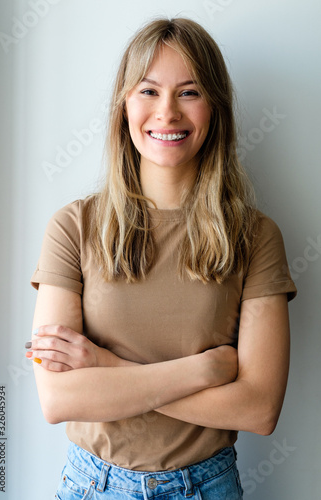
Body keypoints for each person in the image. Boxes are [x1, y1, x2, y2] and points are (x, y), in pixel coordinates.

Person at [26, 17, 297, 499]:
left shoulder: (256, 237)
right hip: (93, 485)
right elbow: (59, 398)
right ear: (124, 105)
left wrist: (106, 367)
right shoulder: (73, 227)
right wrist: (204, 371)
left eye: (189, 92)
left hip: (208, 486)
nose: (167, 112)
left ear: (215, 108)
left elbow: (258, 410)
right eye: (149, 91)